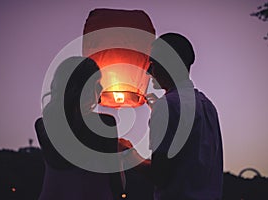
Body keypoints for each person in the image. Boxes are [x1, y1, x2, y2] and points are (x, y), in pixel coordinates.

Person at [119, 33, 223, 200]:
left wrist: (127, 154)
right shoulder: (207, 106)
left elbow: (160, 175)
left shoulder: (167, 106)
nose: (148, 71)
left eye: (152, 63)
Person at [35, 57, 123, 200]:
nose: (101, 88)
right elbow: (117, 183)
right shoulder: (105, 123)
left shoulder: (42, 125)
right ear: (82, 88)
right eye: (96, 83)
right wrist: (119, 152)